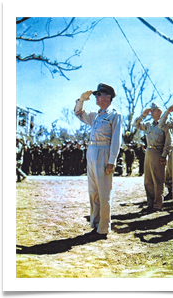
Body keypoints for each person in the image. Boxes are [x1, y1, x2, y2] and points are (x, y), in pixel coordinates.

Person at [74, 83, 122, 238]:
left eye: (99, 94)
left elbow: (116, 139)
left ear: (108, 97)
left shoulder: (115, 115)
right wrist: (81, 100)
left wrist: (112, 160)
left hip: (104, 151)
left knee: (104, 191)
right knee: (93, 190)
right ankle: (95, 223)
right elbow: (78, 113)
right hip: (92, 151)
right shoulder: (95, 115)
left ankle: (103, 227)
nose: (96, 97)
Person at [133, 103, 172, 211]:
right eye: (151, 110)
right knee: (148, 180)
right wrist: (142, 116)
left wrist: (164, 155)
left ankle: (157, 204)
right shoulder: (149, 124)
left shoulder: (165, 125)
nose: (151, 112)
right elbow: (135, 125)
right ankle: (150, 203)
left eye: (154, 110)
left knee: (158, 180)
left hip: (158, 152)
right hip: (149, 152)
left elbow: (169, 142)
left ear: (160, 112)